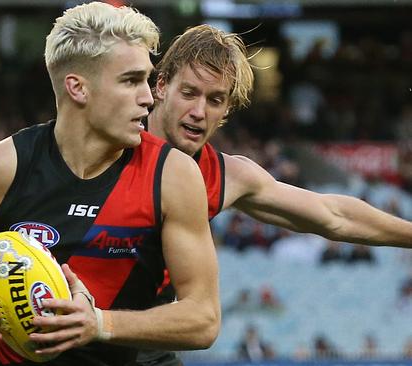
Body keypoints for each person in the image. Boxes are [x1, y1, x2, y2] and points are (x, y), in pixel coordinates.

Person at [0, 2, 220, 366]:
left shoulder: (170, 174)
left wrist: (98, 324)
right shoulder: (5, 164)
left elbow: (203, 319)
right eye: (130, 80)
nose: (148, 97)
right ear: (77, 88)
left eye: (146, 80)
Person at [140, 24, 412, 365]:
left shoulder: (226, 175)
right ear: (161, 85)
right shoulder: (113, 148)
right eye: (189, 93)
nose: (199, 111)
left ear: (227, 109)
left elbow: (334, 216)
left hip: (144, 342)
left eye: (215, 100)